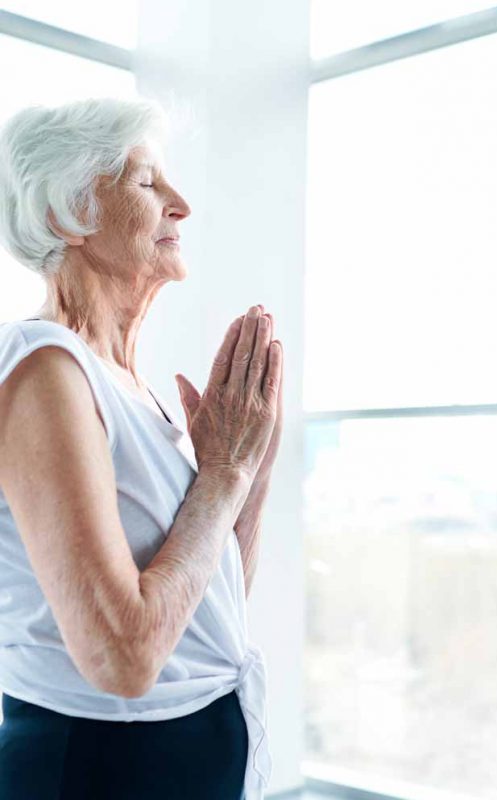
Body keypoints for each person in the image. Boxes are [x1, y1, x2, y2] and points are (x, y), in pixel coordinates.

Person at [0, 97, 284, 799]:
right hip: (98, 771)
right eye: (146, 182)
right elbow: (122, 656)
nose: (180, 204)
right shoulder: (45, 369)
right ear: (67, 216)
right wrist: (222, 474)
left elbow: (209, 605)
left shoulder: (125, 384)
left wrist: (251, 467)